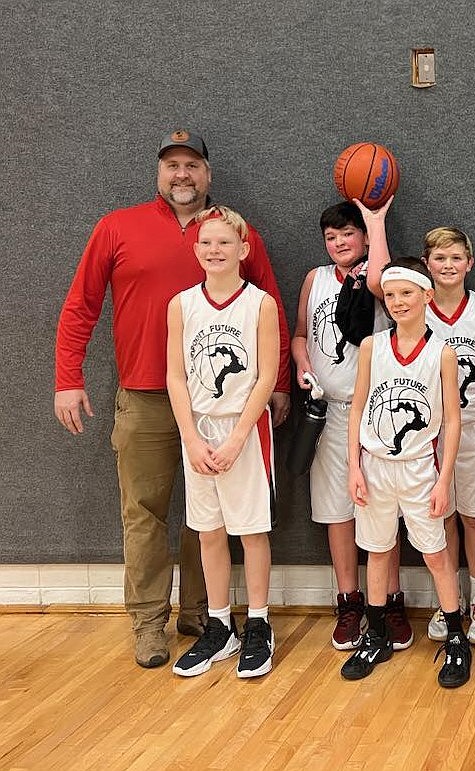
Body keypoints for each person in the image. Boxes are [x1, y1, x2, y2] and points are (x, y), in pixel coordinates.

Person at [54, 130, 291, 668]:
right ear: (159, 173)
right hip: (145, 396)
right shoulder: (117, 227)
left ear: (207, 173)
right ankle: (147, 623)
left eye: (191, 165)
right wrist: (69, 377)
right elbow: (80, 306)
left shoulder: (232, 231)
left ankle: (205, 615)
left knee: (203, 519)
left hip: (229, 405)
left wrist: (276, 385)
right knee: (144, 513)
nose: (181, 175)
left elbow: (269, 303)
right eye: (171, 166)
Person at [342, 257, 471, 688]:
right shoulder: (371, 347)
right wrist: (353, 466)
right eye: (391, 295)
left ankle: (456, 636)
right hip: (375, 467)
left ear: (426, 297)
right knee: (378, 551)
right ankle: (375, 634)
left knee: (436, 554)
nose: (398, 302)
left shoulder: (443, 352)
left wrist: (444, 478)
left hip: (419, 469)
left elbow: (453, 421)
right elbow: (357, 407)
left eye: (407, 294)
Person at [290, 199, 410, 654]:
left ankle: (391, 599)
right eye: (331, 236)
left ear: (363, 238)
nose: (339, 242)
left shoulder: (382, 279)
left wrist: (377, 220)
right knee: (336, 511)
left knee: (381, 511)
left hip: (379, 411)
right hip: (331, 409)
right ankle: (349, 600)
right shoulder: (315, 279)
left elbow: (378, 278)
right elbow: (301, 333)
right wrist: (302, 363)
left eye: (348, 233)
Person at [165, 206, 279, 677]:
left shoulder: (260, 304)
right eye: (207, 243)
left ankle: (258, 623)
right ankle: (219, 627)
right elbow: (174, 376)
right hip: (199, 430)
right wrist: (190, 438)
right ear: (196, 251)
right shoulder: (181, 304)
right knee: (208, 532)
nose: (215, 250)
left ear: (243, 250)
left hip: (244, 429)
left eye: (225, 243)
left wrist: (235, 439)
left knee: (251, 531)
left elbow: (267, 375)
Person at [420, 226, 475, 646]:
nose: (448, 265)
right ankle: (448, 598)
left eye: (456, 258)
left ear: (469, 264)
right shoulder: (417, 308)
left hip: (473, 426)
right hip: (430, 432)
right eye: (440, 258)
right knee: (443, 514)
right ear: (427, 265)